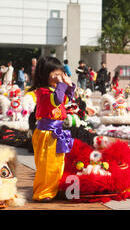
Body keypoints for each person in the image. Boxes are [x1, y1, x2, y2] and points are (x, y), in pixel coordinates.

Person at [29, 56, 76, 202]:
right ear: (44, 74)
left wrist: (70, 86)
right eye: (54, 74)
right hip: (46, 133)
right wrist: (62, 84)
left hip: (56, 132)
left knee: (57, 163)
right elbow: (56, 100)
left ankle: (54, 189)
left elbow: (65, 100)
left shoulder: (55, 90)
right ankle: (43, 192)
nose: (58, 77)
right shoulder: (43, 91)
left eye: (59, 73)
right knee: (47, 165)